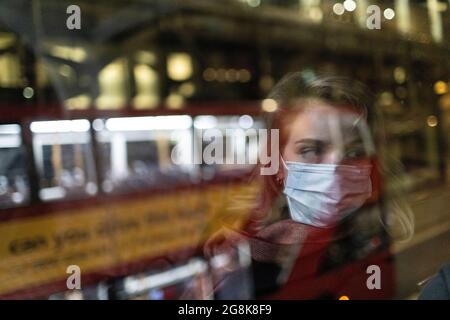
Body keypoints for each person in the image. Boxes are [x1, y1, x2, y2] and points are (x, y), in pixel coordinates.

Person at [205, 72, 412, 299]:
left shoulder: (369, 240)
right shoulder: (237, 243)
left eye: (354, 152)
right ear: (277, 161)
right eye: (311, 150)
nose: (335, 169)